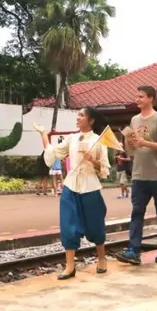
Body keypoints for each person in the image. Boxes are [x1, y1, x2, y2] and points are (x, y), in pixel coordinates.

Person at [33, 107, 113, 279]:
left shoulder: (99, 141)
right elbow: (53, 154)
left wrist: (94, 162)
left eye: (81, 115)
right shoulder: (72, 138)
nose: (78, 118)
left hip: (90, 187)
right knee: (68, 225)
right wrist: (43, 135)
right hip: (70, 186)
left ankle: (102, 258)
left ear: (91, 120)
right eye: (78, 115)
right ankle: (70, 266)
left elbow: (105, 171)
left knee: (95, 225)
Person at [115, 85, 157, 265]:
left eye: (141, 97)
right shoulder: (134, 119)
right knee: (137, 212)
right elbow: (131, 149)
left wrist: (145, 142)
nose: (137, 99)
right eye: (137, 96)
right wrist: (129, 142)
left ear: (150, 98)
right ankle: (134, 250)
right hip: (139, 174)